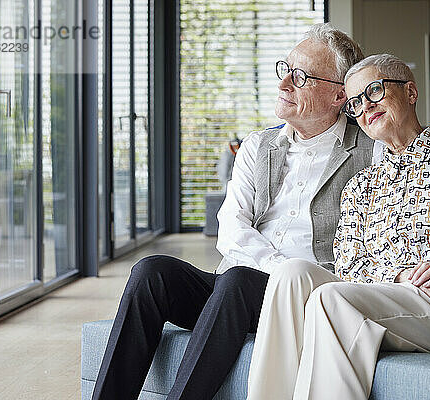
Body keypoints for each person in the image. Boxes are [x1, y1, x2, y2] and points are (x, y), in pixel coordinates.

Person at [91, 23, 384, 400]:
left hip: (301, 298)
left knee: (239, 281)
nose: (283, 86)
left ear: (338, 95)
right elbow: (230, 227)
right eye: (285, 70)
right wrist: (276, 267)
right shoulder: (258, 145)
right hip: (234, 289)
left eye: (301, 77)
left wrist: (284, 280)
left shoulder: (370, 152)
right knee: (152, 272)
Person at [246, 54, 430, 400]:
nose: (365, 106)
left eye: (375, 91)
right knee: (291, 274)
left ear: (410, 92)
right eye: (354, 103)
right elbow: (350, 266)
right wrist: (401, 276)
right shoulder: (362, 185)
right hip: (394, 297)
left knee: (330, 298)